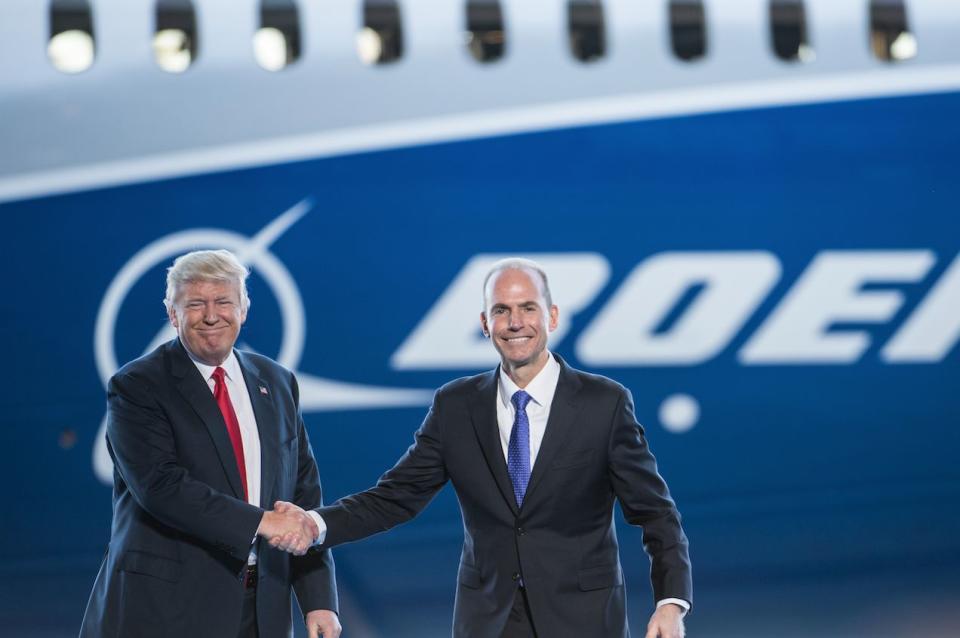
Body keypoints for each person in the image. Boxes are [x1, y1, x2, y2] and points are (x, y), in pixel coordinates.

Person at [273, 258, 692, 638]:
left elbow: (655, 512)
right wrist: (316, 525)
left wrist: (671, 602)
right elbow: (394, 498)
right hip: (488, 619)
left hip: (583, 617)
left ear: (553, 316)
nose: (515, 323)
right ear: (484, 322)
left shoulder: (605, 403)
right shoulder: (456, 405)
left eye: (528, 308)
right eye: (501, 310)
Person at [80, 249, 341, 638]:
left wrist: (318, 597)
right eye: (196, 304)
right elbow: (161, 488)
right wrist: (263, 522)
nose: (211, 315)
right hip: (165, 611)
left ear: (244, 309)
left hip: (261, 609)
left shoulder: (278, 381)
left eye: (223, 301)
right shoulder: (137, 385)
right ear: (173, 314)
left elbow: (303, 494)